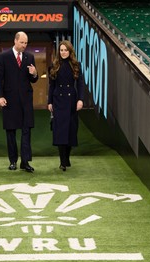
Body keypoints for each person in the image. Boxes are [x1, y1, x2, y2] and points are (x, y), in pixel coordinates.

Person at [0, 31, 39, 173]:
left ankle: (25, 162)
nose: (24, 45)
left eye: (26, 43)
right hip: (9, 101)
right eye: (22, 42)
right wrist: (0, 96)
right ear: (15, 41)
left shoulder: (30, 57)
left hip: (26, 102)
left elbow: (33, 80)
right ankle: (13, 161)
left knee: (26, 131)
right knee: (11, 132)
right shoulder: (4, 57)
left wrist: (34, 73)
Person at [47, 40, 84, 171]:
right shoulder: (54, 65)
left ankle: (67, 158)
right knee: (60, 132)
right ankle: (62, 161)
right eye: (61, 50)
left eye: (65, 50)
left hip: (71, 101)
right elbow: (51, 85)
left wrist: (80, 100)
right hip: (58, 101)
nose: (63, 52)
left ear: (70, 51)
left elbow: (80, 84)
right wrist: (49, 102)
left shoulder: (76, 65)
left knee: (70, 131)